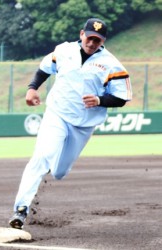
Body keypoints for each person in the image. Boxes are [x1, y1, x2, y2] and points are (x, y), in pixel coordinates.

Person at [9, 17, 132, 229]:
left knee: (59, 172)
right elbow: (44, 69)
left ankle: (51, 163)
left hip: (83, 125)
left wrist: (100, 100)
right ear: (81, 34)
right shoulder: (64, 51)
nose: (92, 43)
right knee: (40, 157)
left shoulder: (112, 64)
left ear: (103, 41)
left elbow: (122, 97)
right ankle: (20, 210)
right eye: (90, 37)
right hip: (57, 114)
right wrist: (32, 88)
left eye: (98, 40)